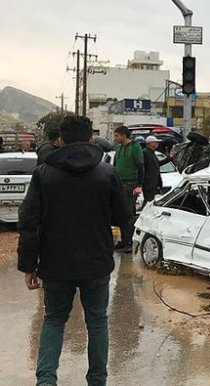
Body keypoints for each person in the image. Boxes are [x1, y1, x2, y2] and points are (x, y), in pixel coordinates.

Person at [17, 115, 129, 386]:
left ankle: (45, 381)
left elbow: (29, 221)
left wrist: (28, 265)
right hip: (96, 262)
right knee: (97, 321)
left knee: (54, 319)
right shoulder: (106, 173)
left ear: (61, 141)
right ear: (91, 138)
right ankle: (97, 381)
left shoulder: (43, 174)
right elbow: (124, 215)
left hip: (55, 263)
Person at [112, 126, 143, 253]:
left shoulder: (135, 147)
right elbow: (115, 166)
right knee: (119, 212)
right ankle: (123, 240)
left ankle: (129, 242)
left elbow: (141, 167)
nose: (115, 138)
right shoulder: (118, 148)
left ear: (124, 136)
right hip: (119, 183)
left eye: (117, 135)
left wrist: (139, 185)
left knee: (129, 213)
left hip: (130, 184)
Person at [142, 136, 163, 204]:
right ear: (150, 143)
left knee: (151, 200)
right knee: (148, 201)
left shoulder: (152, 153)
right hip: (148, 183)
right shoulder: (145, 153)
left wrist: (170, 158)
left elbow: (157, 164)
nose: (157, 144)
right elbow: (143, 168)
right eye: (155, 142)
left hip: (153, 182)